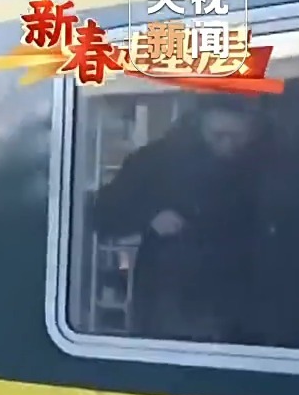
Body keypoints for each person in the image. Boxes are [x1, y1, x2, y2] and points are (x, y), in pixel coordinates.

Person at [92, 98, 267, 342]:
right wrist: (149, 216)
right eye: (219, 136)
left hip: (247, 309)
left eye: (238, 138)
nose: (228, 145)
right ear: (201, 121)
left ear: (253, 128)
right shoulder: (157, 160)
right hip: (171, 308)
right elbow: (103, 212)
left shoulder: (268, 164)